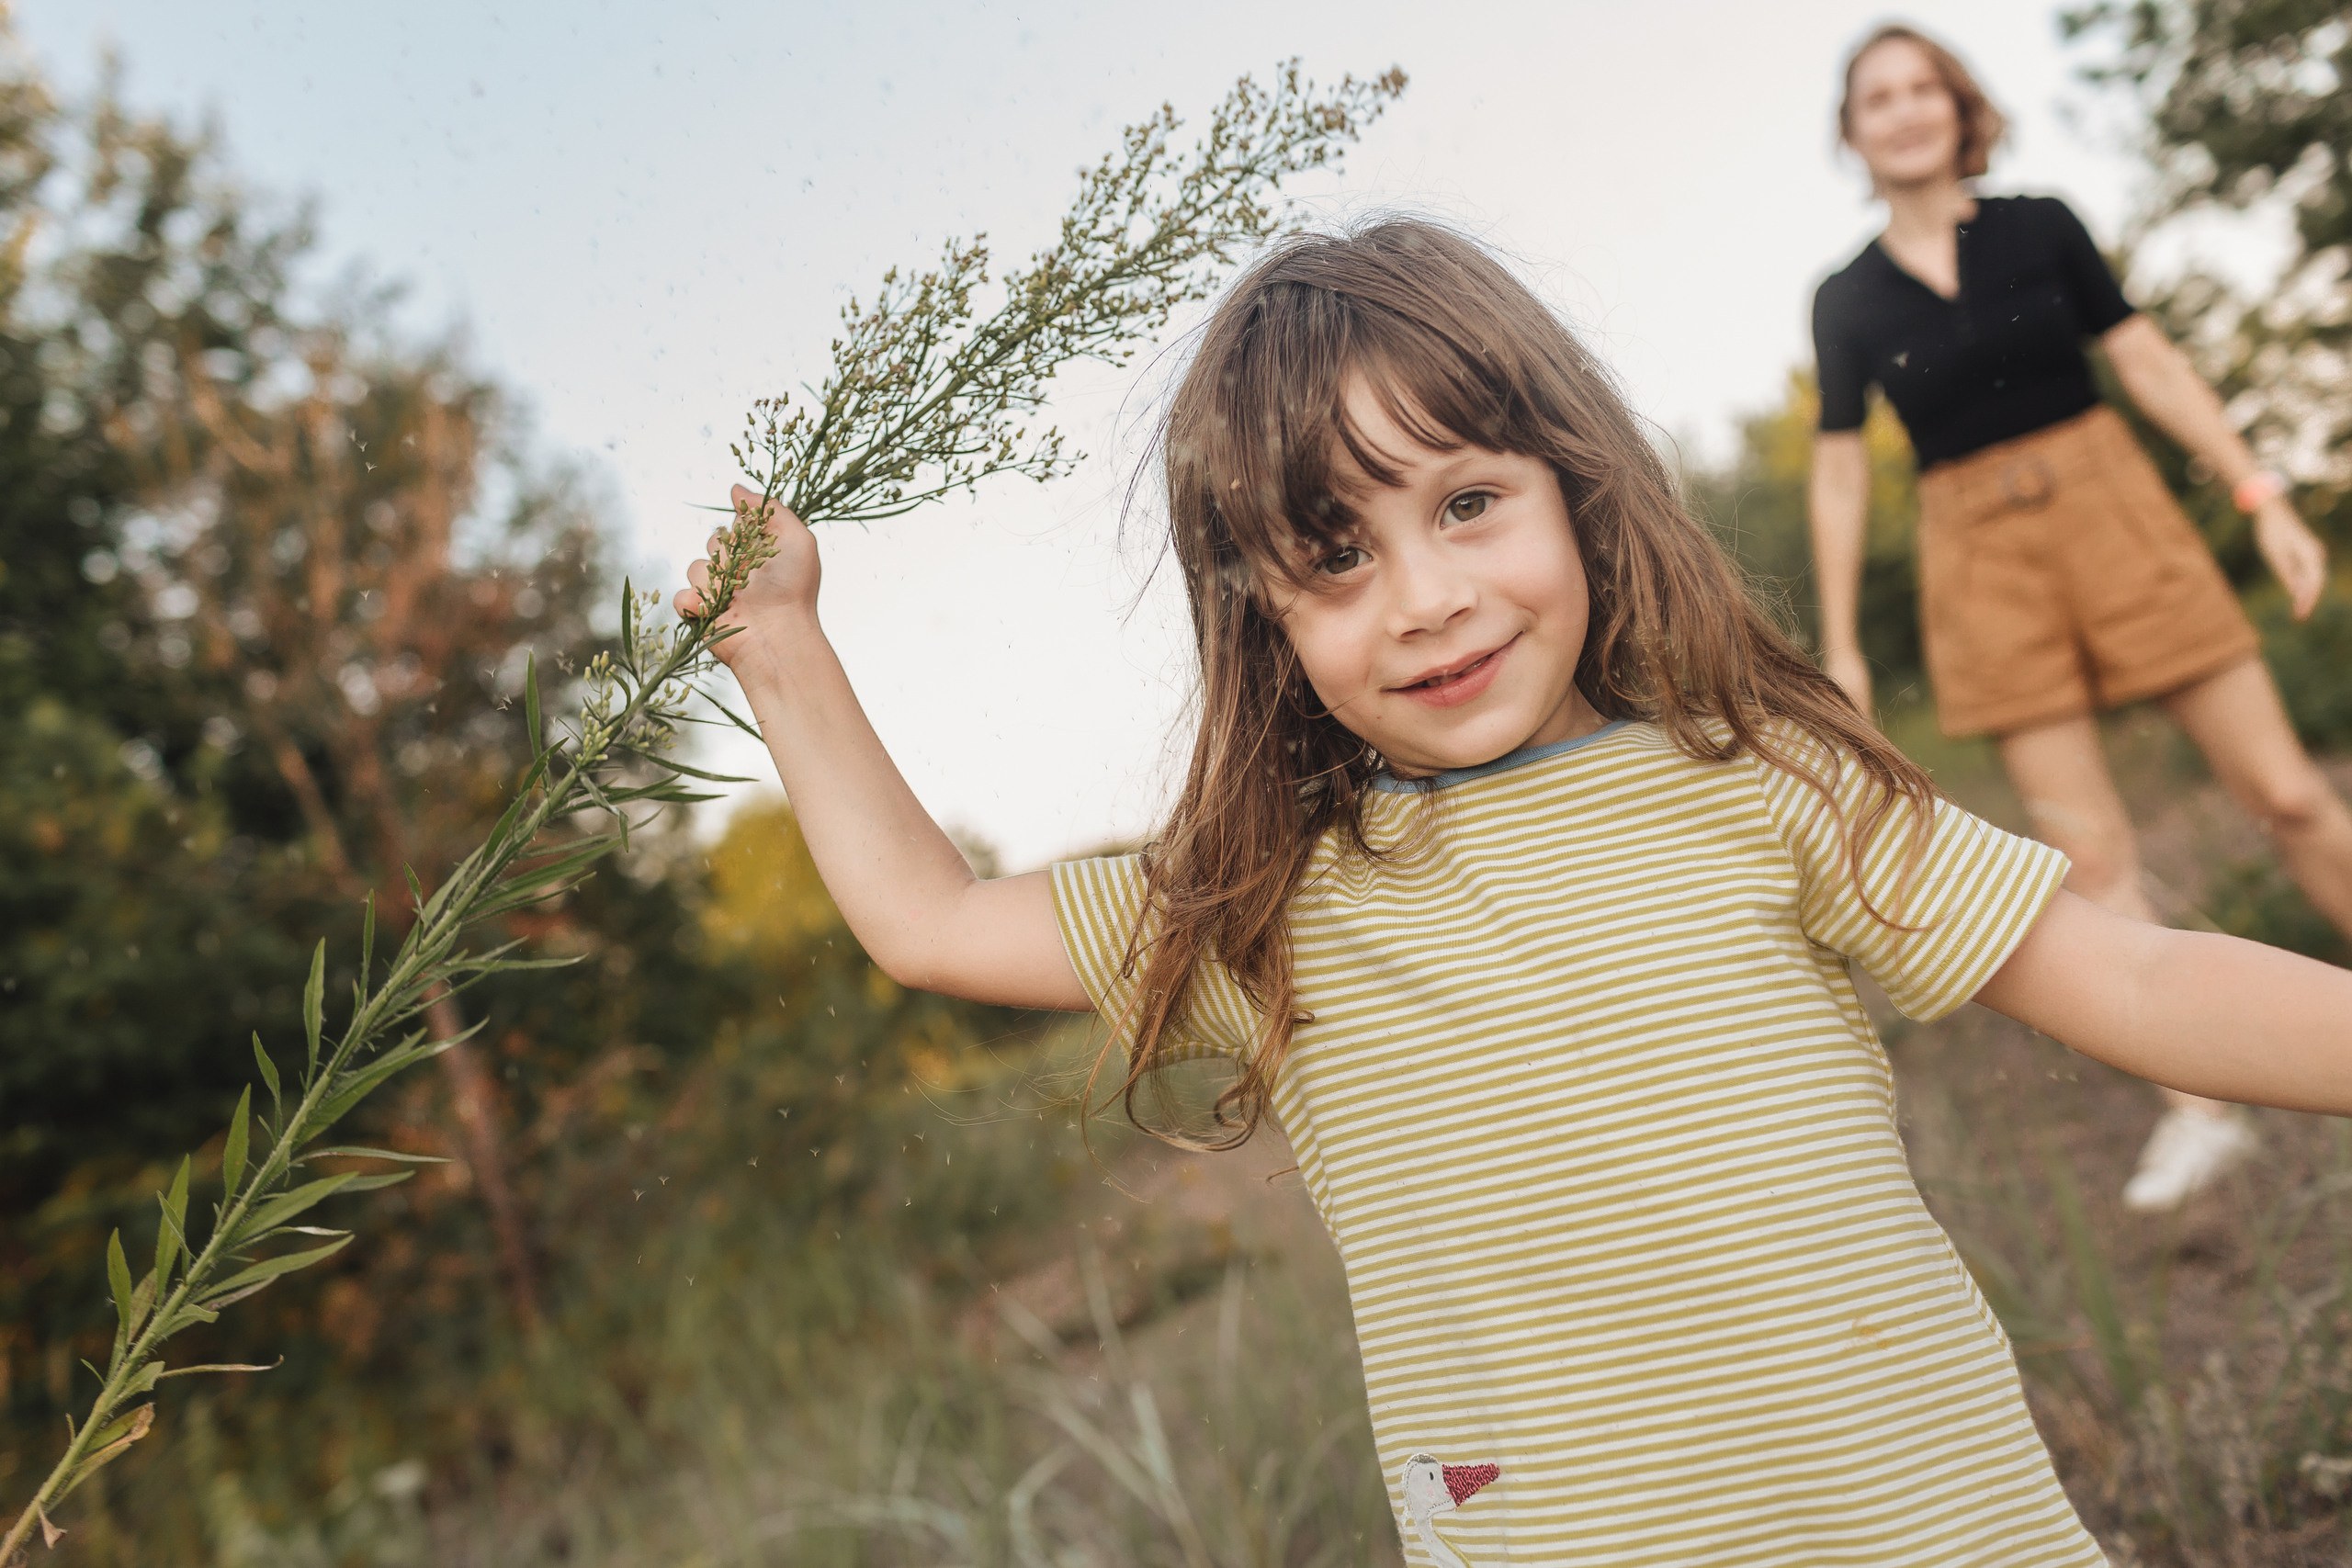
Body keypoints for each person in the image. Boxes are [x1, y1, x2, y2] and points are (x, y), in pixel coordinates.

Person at [677, 220, 2352, 1564]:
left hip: (1923, 1512)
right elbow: (928, 922)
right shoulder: (1270, 899)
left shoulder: (1757, 779)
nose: (1427, 597)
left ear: (1576, 485)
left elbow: (2128, 982)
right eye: (1336, 559)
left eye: (1468, 503)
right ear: (1265, 616)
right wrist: (784, 648)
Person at [1810, 23, 2352, 1212]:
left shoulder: (2042, 224)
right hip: (1980, 567)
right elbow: (1842, 468)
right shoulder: (1845, 299)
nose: (1902, 112)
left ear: (1961, 110)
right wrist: (1842, 647)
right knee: (2092, 855)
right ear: (1851, 132)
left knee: (2291, 794)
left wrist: (2259, 493)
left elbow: (2145, 359)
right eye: (1876, 98)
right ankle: (2203, 1116)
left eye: (1922, 90)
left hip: (2118, 515)